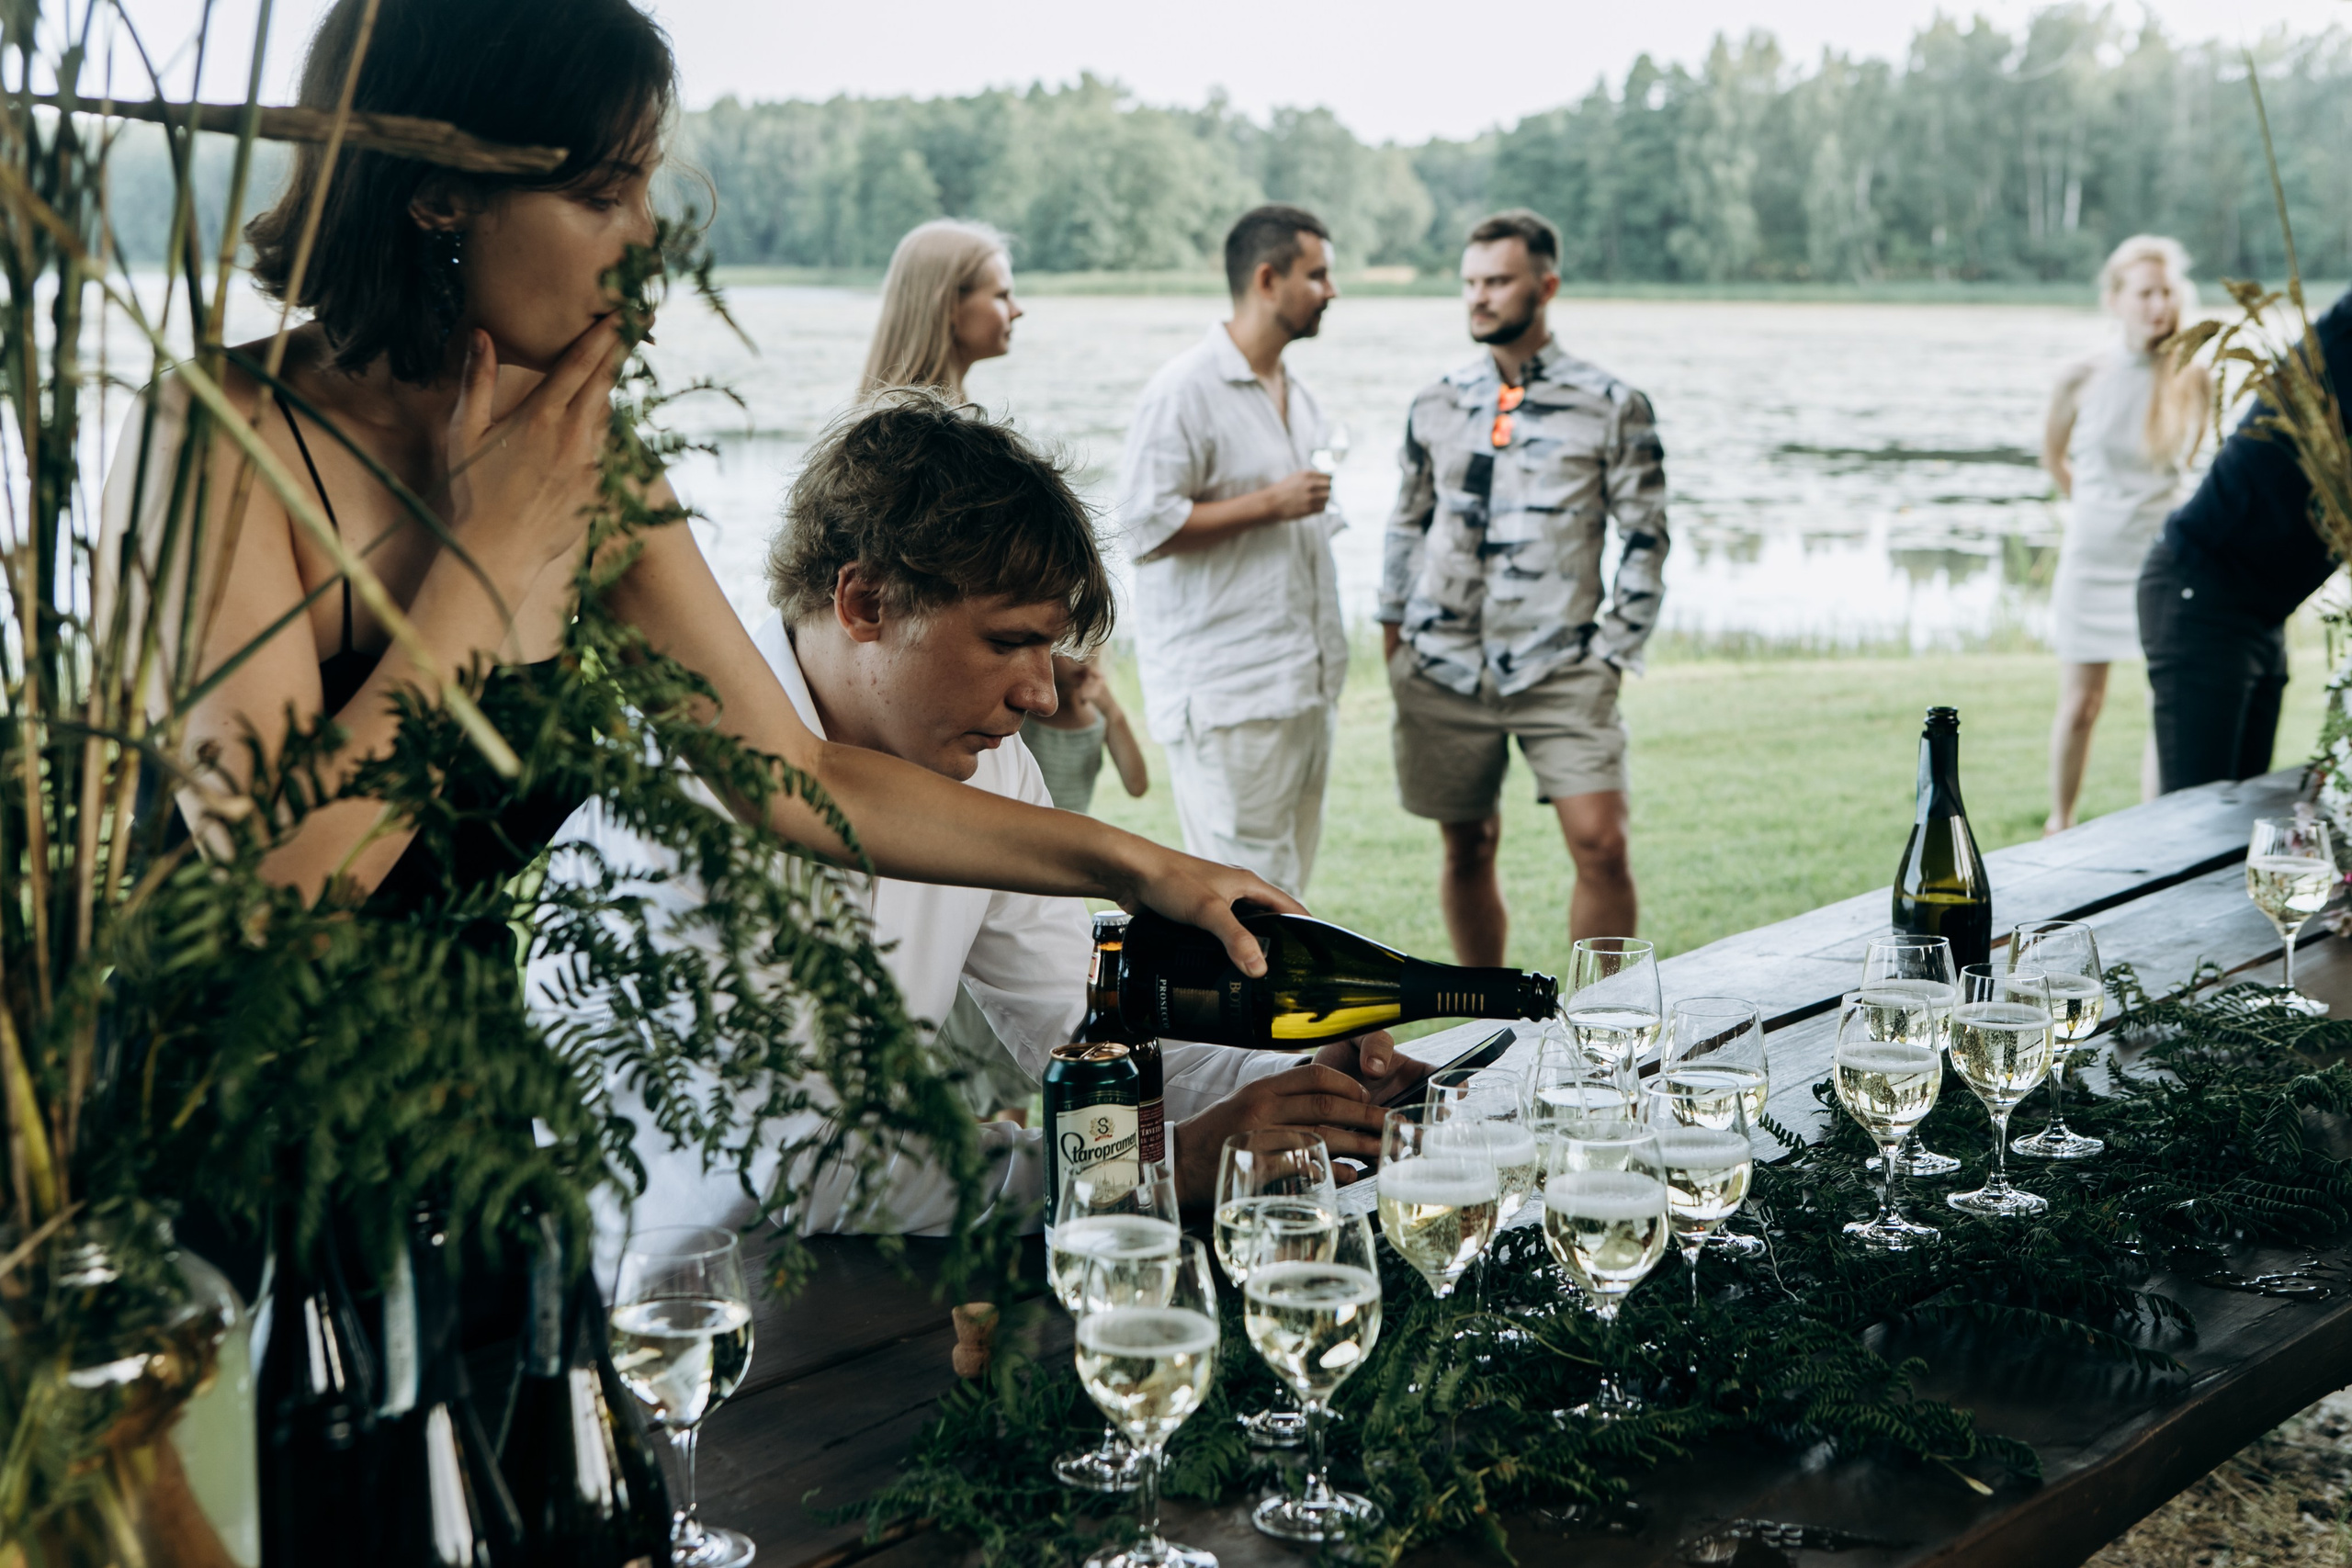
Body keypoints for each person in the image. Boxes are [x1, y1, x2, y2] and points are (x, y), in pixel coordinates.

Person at [105, 0, 1289, 994]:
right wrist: (489, 565)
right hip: (209, 1116)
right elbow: (281, 887)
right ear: (437, 196)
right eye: (603, 194)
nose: (648, 243)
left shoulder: (582, 451)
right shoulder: (217, 439)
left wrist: (1139, 868)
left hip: (459, 1113)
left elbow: (797, 777)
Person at [537, 393, 1425, 1235]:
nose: (1041, 694)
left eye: (1050, 648)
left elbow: (1082, 1027)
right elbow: (800, 1170)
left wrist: (1298, 1090)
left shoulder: (990, 767)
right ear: (864, 602)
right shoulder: (684, 812)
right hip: (667, 1312)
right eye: (1009, 642)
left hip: (862, 1281)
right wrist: (1152, 1168)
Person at [1377, 210, 1667, 958]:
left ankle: (1606, 1026)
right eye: (1471, 282)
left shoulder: (1612, 404)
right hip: (1441, 664)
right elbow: (1407, 521)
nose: (1479, 297)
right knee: (1467, 846)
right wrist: (1391, 626)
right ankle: (1488, 1016)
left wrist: (1612, 652)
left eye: (1498, 281)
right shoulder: (1435, 400)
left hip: (1561, 665)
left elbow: (1645, 536)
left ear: (1547, 285)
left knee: (1601, 843)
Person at [1116, 204, 1347, 899]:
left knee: (1286, 889)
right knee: (1248, 899)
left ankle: (1279, 1010)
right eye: (1319, 275)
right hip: (1231, 691)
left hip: (1305, 686)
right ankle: (1249, 1012)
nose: (1332, 292)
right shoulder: (1183, 391)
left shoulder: (1299, 396)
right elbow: (1143, 527)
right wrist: (1270, 504)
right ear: (1268, 279)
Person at [2140, 285, 2352, 793]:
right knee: (2197, 818)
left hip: (2262, 610)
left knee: (2240, 820)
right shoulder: (2338, 351)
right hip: (2201, 595)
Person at [2040, 236, 2209, 832]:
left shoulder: (2196, 376)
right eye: (2145, 293)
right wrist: (2092, 508)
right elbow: (2054, 457)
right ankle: (2059, 824)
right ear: (2115, 299)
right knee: (2082, 704)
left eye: (2166, 292)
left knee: (2162, 703)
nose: (2158, 305)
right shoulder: (2078, 376)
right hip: (2091, 555)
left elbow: (2188, 465)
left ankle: (2155, 828)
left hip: (2158, 560)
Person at [859, 218, 1023, 403]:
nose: (1017, 311)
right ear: (949, 305)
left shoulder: (885, 424)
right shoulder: (935, 430)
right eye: (1002, 295)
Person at [1024, 653, 1149, 814]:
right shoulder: (1024, 710)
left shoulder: (1099, 713)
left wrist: (1113, 712)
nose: (1082, 657)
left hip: (1074, 835)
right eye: (1070, 646)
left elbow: (1137, 786)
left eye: (1090, 644)